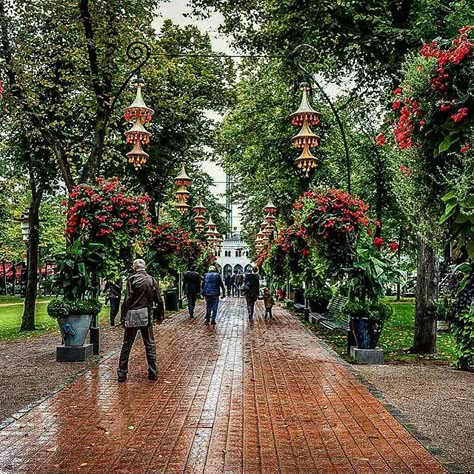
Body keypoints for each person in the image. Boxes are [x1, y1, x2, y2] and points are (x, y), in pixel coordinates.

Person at [117, 259, 163, 383]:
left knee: (127, 344)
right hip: (146, 315)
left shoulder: (131, 280)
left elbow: (127, 300)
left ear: (134, 268)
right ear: (145, 268)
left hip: (132, 315)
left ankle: (122, 373)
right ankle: (153, 372)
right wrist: (160, 316)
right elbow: (159, 299)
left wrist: (123, 316)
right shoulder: (152, 280)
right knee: (150, 344)